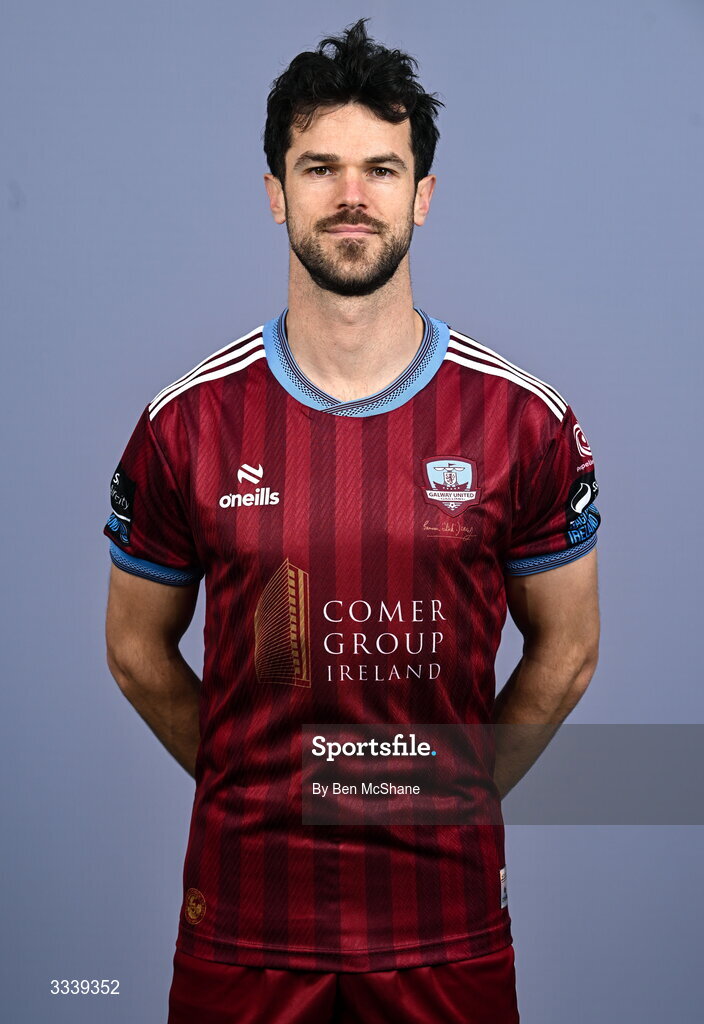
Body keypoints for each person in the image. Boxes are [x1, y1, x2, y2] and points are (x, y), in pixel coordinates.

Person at [104, 18, 600, 1023]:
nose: (350, 196)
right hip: (244, 925)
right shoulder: (185, 423)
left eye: (381, 169)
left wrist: (448, 794)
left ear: (422, 195)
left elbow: (569, 648)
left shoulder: (522, 420)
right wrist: (259, 786)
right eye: (319, 168)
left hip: (443, 926)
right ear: (274, 193)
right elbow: (135, 649)